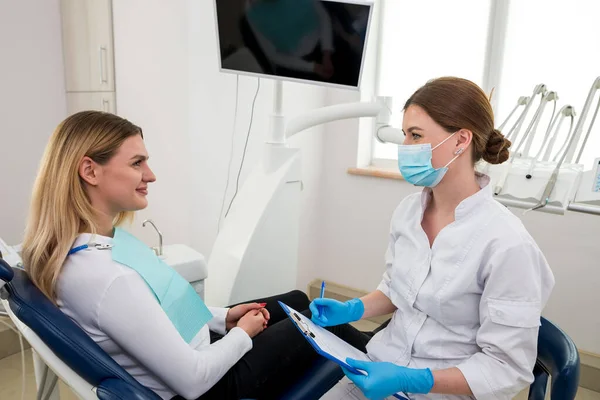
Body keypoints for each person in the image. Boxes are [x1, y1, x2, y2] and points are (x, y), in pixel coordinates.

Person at [20, 111, 363, 400]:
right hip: (211, 383)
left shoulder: (86, 248)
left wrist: (222, 318)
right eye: (137, 163)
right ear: (90, 171)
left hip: (198, 346)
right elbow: (194, 380)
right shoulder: (109, 278)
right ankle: (393, 363)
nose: (150, 175)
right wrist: (243, 333)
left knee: (298, 299)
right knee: (324, 324)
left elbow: (160, 306)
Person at [311, 77, 555, 400]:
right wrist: (352, 309)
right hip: (379, 367)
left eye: (416, 136)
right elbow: (397, 289)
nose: (405, 148)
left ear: (460, 140)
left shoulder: (507, 245)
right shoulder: (408, 213)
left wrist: (416, 380)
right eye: (405, 136)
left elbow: (506, 367)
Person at [244, 0, 361, 86]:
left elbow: (323, 17)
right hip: (296, 65)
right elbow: (273, 55)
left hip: (326, 45)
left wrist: (327, 53)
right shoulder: (252, 11)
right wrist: (312, 67)